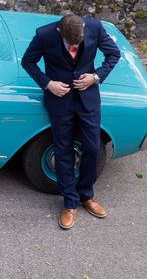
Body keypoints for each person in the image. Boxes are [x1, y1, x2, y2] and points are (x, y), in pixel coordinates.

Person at [21, 14, 121, 230]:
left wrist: (95, 77)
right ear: (59, 31)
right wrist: (48, 84)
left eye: (79, 42)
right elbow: (27, 62)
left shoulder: (94, 27)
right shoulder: (44, 34)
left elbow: (114, 54)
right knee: (63, 150)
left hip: (88, 100)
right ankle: (69, 203)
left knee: (93, 148)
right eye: (71, 43)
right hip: (60, 102)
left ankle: (87, 195)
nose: (76, 46)